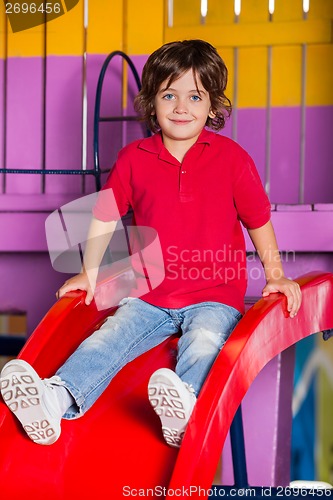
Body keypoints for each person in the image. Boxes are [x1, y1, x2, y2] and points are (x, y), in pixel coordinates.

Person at [0, 40, 302, 448]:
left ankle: (185, 408)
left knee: (206, 342)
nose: (181, 107)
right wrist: (91, 272)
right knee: (107, 339)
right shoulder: (133, 158)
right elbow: (105, 217)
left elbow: (258, 221)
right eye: (169, 95)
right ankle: (55, 399)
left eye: (194, 96)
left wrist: (276, 275)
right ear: (152, 103)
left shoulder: (232, 159)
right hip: (149, 296)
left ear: (213, 106)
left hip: (213, 296)